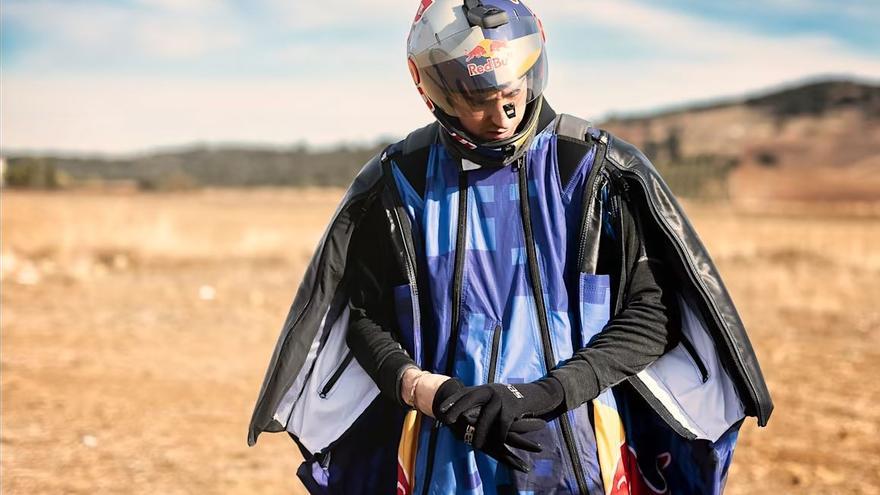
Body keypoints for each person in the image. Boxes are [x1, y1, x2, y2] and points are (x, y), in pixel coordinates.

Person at [248, 1, 773, 494]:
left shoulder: (595, 173)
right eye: (476, 100)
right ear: (436, 94)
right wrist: (430, 392)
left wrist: (546, 393)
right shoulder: (398, 183)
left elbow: (653, 313)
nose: (500, 115)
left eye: (511, 93)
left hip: (580, 451)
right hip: (442, 454)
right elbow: (364, 317)